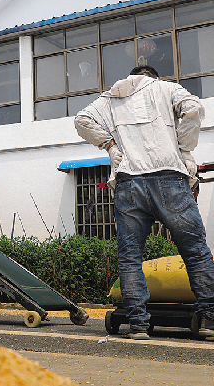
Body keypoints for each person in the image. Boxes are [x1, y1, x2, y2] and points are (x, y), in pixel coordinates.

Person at [75, 65, 214, 340]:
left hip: (128, 183)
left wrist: (110, 147)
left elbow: (82, 120)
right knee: (196, 252)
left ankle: (138, 325)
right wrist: (183, 147)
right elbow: (194, 109)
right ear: (155, 78)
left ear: (131, 77)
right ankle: (210, 319)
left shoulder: (110, 98)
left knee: (130, 258)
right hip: (169, 178)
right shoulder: (167, 88)